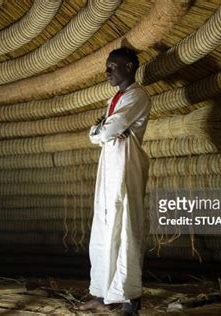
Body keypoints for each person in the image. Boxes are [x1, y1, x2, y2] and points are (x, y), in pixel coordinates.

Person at [78, 47, 152, 315]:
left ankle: (129, 298)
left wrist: (104, 130)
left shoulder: (137, 96)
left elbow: (109, 128)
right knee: (103, 229)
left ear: (129, 67)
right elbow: (96, 133)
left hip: (126, 166)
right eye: (107, 66)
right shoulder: (116, 98)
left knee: (124, 229)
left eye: (113, 66)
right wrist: (103, 130)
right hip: (109, 167)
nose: (107, 71)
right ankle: (102, 293)